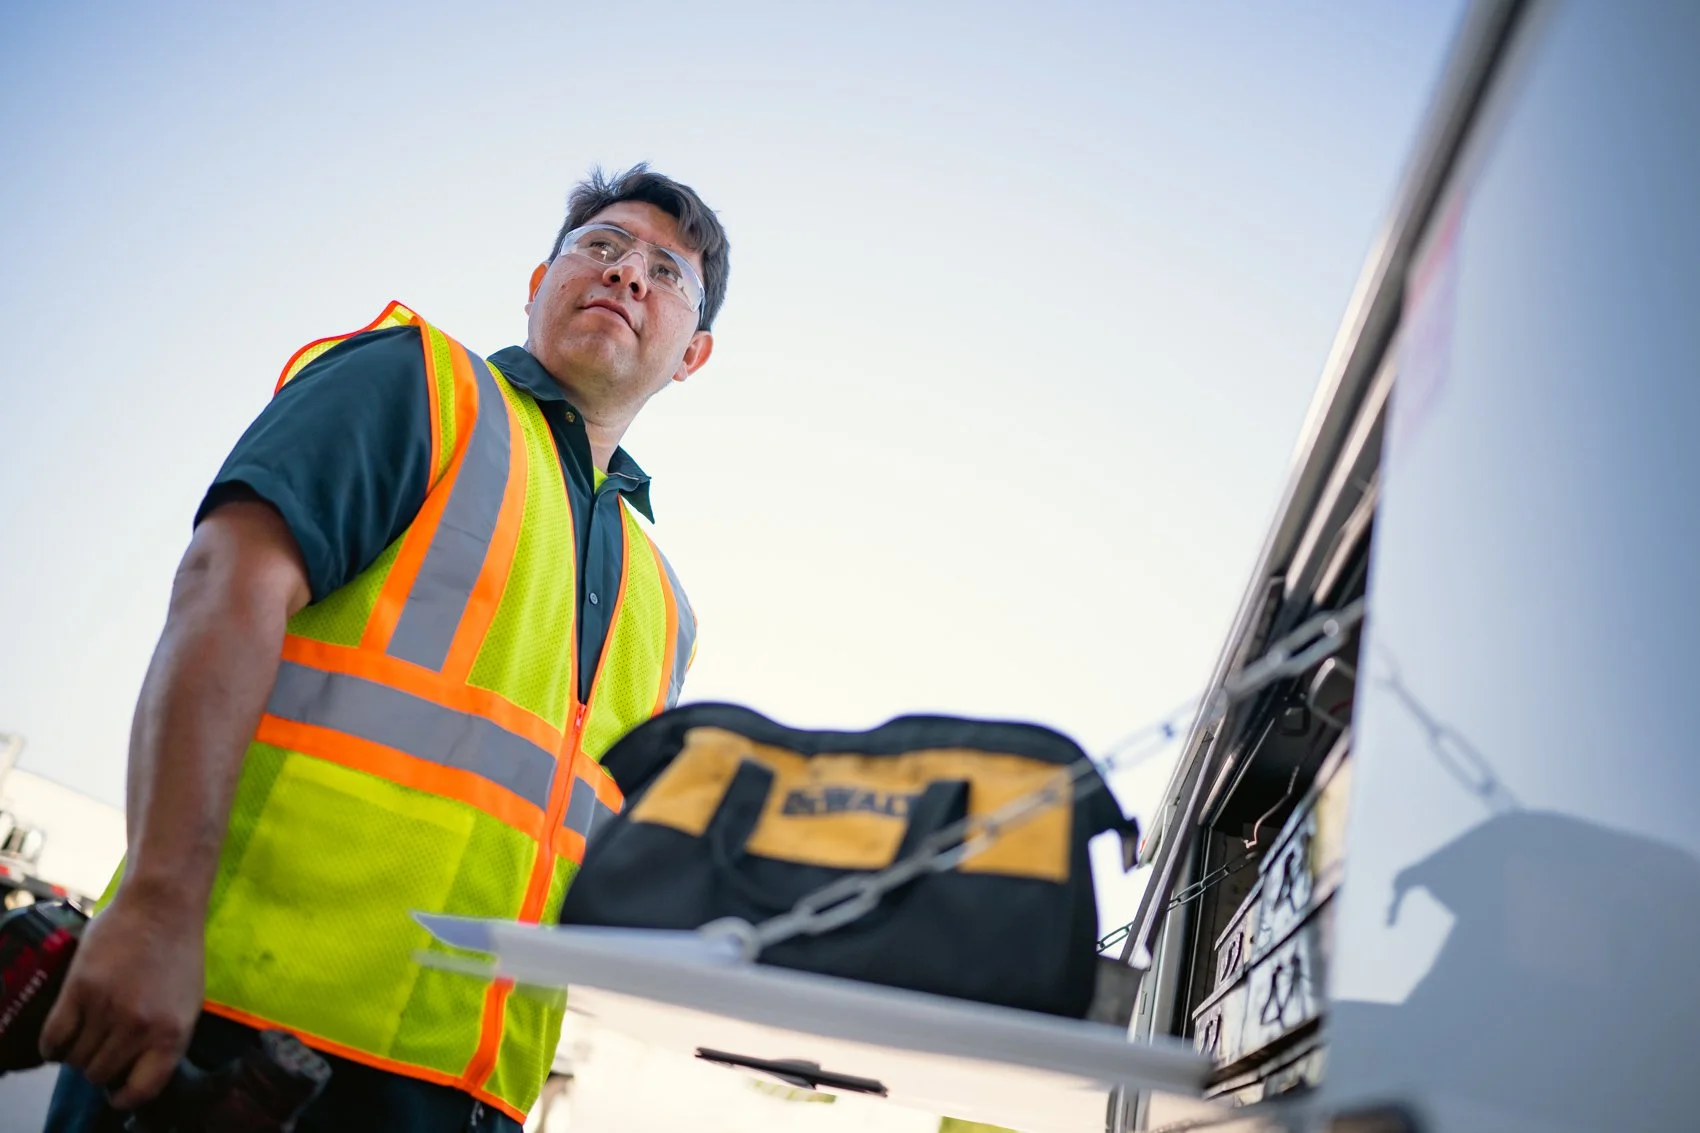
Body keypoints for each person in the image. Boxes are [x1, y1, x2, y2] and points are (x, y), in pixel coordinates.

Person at [41, 164, 728, 1132]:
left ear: (692, 353)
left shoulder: (666, 606)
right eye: (601, 246)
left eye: (665, 269)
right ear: (537, 284)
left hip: (464, 1094)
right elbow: (222, 592)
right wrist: (154, 904)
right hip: (234, 1031)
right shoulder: (417, 384)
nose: (625, 275)